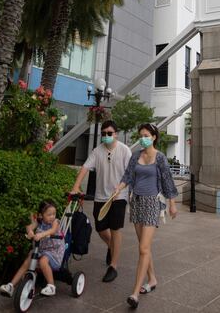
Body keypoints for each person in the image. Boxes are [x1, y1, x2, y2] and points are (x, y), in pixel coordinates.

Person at [112, 123, 178, 309]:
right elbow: (127, 177)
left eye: (146, 135)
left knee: (143, 248)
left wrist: (172, 204)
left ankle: (134, 293)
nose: (143, 138)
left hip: (151, 203)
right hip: (136, 202)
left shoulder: (160, 158)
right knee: (145, 248)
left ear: (154, 137)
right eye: (141, 135)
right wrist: (119, 187)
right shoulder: (135, 157)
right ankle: (152, 279)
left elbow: (167, 181)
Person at [70, 119, 132, 283]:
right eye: (103, 134)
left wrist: (123, 187)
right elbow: (85, 167)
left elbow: (130, 172)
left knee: (115, 228)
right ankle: (112, 247)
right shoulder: (97, 151)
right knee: (100, 228)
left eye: (109, 133)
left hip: (119, 196)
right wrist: (76, 186)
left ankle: (113, 266)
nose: (106, 136)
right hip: (100, 197)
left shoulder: (125, 150)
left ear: (116, 134)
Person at [0, 200, 65, 298]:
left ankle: (51, 286)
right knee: (28, 261)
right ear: (41, 215)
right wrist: (30, 231)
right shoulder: (39, 221)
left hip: (54, 252)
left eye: (54, 214)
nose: (52, 216)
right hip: (41, 250)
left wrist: (42, 234)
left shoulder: (55, 222)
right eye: (49, 214)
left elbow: (52, 230)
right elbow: (29, 227)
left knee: (43, 260)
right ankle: (11, 286)